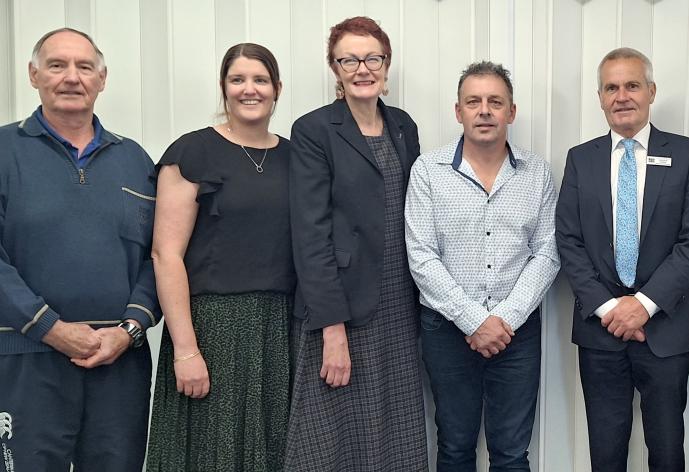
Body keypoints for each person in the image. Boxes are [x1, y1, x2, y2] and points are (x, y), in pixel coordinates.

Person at [0, 28, 159, 471]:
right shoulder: (3, 151)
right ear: (33, 75)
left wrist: (128, 332)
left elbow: (159, 258)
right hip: (25, 360)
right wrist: (50, 327)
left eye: (84, 67)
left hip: (118, 366)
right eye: (57, 65)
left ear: (102, 79)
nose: (72, 77)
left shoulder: (136, 160)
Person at [555, 47, 689, 471]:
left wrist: (641, 306)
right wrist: (611, 310)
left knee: (666, 451)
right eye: (611, 87)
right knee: (605, 453)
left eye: (632, 85)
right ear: (600, 97)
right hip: (600, 331)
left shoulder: (687, 153)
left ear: (651, 91)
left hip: (666, 327)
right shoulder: (580, 159)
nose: (621, 96)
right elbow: (568, 242)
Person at [285, 16, 428, 471]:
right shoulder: (314, 130)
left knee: (396, 427)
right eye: (350, 59)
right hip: (340, 305)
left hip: (399, 303)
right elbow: (310, 233)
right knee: (330, 436)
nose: (362, 68)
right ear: (335, 67)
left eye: (372, 58)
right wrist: (331, 327)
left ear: (387, 65)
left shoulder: (403, 126)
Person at [145, 43, 293, 471]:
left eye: (260, 80)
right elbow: (165, 253)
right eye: (238, 79)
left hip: (277, 329)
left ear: (277, 88)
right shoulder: (192, 152)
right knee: (212, 455)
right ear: (224, 88)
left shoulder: (294, 156)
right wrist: (186, 351)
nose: (250, 89)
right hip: (212, 328)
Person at [406, 61, 559, 471]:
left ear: (512, 111)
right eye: (473, 101)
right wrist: (474, 320)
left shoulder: (537, 173)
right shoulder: (428, 172)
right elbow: (421, 256)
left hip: (516, 335)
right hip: (446, 331)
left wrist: (503, 319)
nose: (484, 110)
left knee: (511, 454)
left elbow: (547, 252)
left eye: (496, 101)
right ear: (458, 111)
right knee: (455, 448)